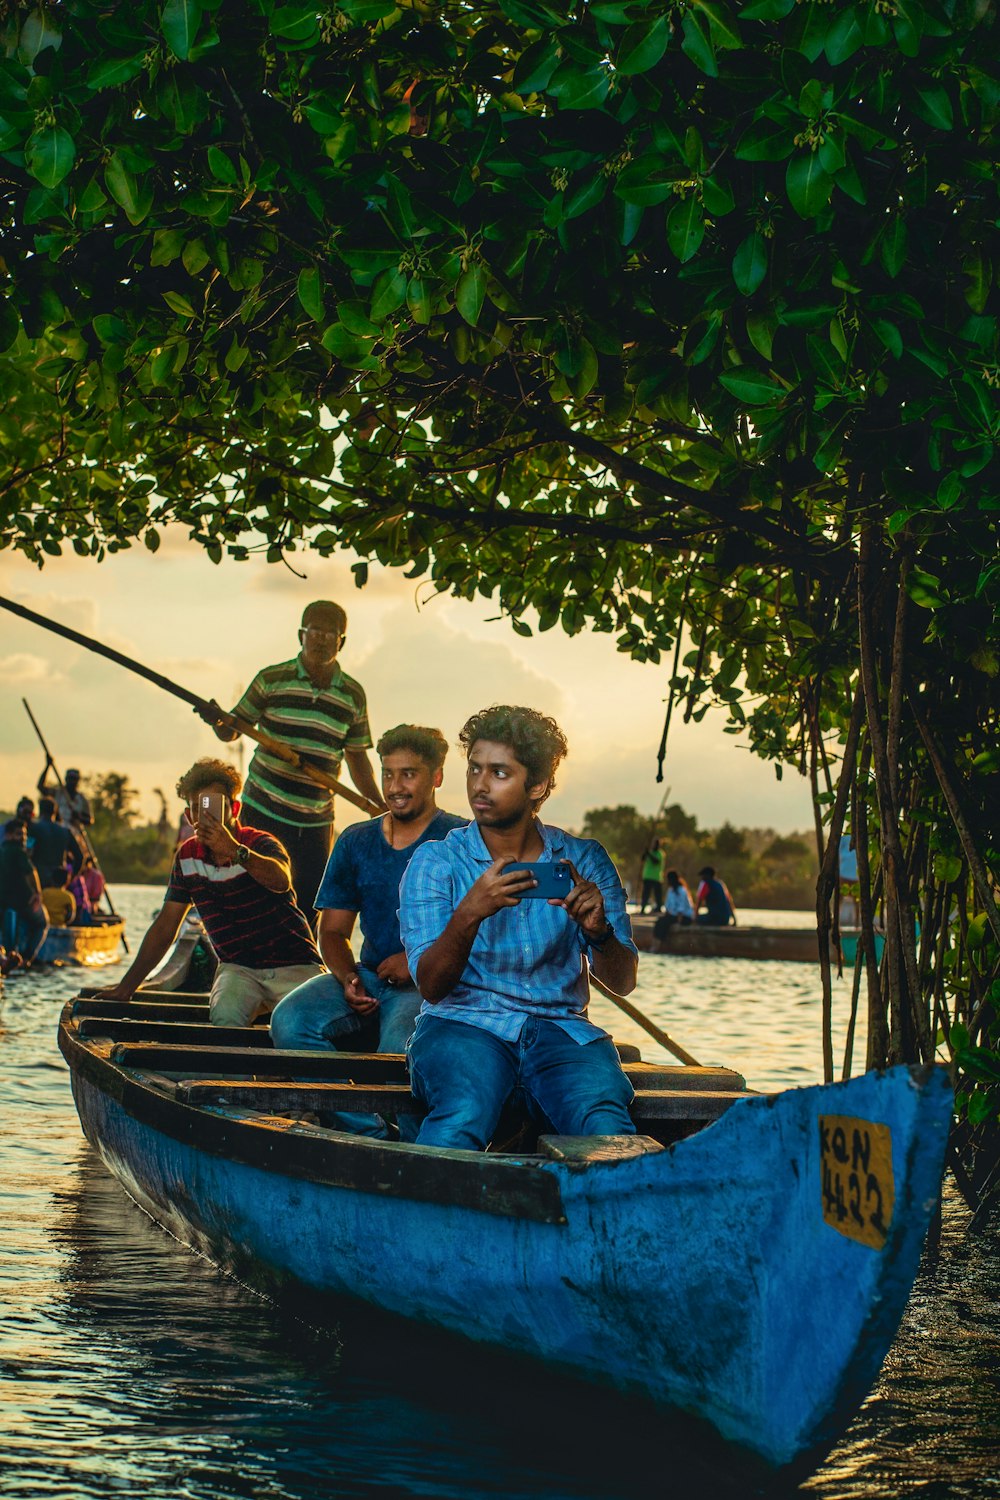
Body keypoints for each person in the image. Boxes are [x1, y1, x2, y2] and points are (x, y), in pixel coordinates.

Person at [399, 705, 639, 1152]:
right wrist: (470, 912)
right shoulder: (437, 862)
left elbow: (623, 982)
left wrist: (598, 931)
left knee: (606, 1129)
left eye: (499, 773)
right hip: (462, 1024)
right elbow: (431, 986)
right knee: (463, 1112)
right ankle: (426, 1214)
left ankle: (619, 1215)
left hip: (561, 1031)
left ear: (538, 786)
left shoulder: (584, 860)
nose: (479, 785)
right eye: (474, 769)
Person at [271, 724, 467, 1137]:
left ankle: (422, 1146)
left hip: (431, 985)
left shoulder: (462, 841)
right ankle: (369, 1135)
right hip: (371, 976)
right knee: (289, 1021)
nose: (395, 786)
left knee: (398, 1051)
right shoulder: (356, 841)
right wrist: (347, 977)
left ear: (436, 777)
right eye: (388, 773)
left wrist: (417, 962)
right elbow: (333, 932)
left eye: (409, 774)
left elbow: (483, 930)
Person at [97, 759, 325, 1026]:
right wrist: (126, 988)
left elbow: (281, 880)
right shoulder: (187, 857)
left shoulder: (259, 843)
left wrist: (235, 850)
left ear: (235, 809)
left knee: (301, 1025)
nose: (207, 816)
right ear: (189, 816)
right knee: (224, 1017)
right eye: (198, 808)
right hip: (239, 969)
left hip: (294, 964)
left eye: (215, 807)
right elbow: (165, 927)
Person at [201, 600, 385, 910]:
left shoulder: (352, 695)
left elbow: (357, 758)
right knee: (254, 893)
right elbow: (233, 729)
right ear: (301, 635)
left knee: (308, 901)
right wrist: (217, 720)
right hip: (263, 808)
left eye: (330, 633)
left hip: (315, 820)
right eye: (315, 631)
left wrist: (377, 807)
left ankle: (303, 958)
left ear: (341, 641)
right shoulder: (271, 679)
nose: (321, 639)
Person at [0, 819, 48, 969]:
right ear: (9, 835)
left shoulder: (2, 850)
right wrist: (38, 893)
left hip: (4, 902)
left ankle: (7, 958)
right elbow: (31, 872)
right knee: (42, 922)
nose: (23, 838)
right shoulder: (18, 851)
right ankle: (27, 958)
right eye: (19, 834)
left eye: (24, 835)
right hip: (22, 902)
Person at [29, 797, 82, 888]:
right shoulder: (65, 832)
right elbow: (80, 857)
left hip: (38, 880)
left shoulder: (33, 829)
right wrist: (72, 876)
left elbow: (27, 852)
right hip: (59, 881)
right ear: (55, 812)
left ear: (40, 810)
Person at [36, 763, 92, 839]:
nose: (72, 781)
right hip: (56, 831)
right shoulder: (57, 793)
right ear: (66, 779)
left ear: (78, 781)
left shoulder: (82, 800)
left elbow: (90, 820)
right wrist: (47, 766)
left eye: (74, 779)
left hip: (75, 834)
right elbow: (40, 787)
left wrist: (79, 817)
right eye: (70, 778)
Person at [653, 869, 695, 944]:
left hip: (684, 917)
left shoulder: (682, 891)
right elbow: (668, 907)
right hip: (674, 916)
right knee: (659, 921)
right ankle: (657, 943)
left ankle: (659, 944)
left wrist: (678, 923)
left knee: (665, 923)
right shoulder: (670, 890)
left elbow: (681, 909)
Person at [639, 837, 665, 913]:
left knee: (658, 895)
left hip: (657, 877)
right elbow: (642, 859)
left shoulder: (660, 853)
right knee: (645, 894)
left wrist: (648, 853)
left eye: (657, 844)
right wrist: (645, 852)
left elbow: (655, 861)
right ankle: (643, 908)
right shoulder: (649, 852)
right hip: (647, 876)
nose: (655, 845)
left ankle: (659, 908)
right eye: (654, 844)